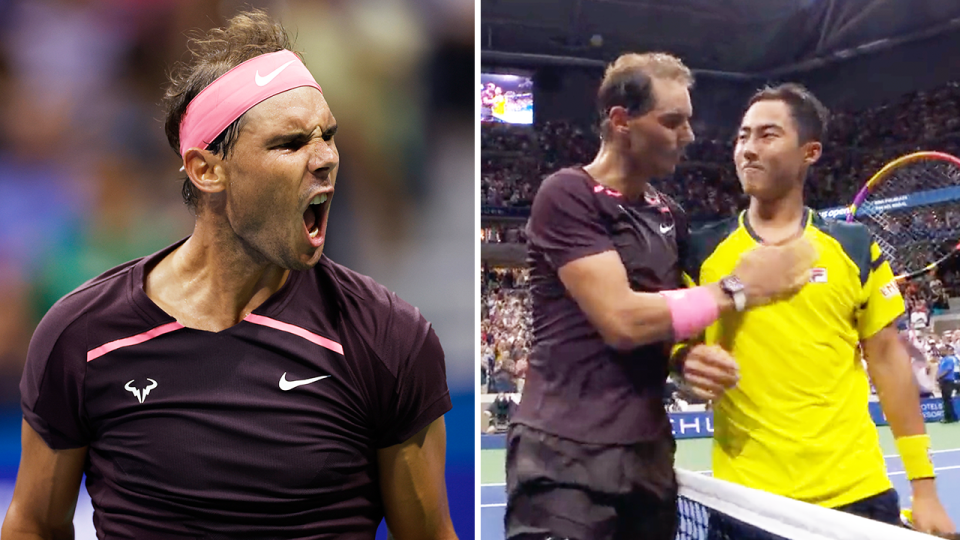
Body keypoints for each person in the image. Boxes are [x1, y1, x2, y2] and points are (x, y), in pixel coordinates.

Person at [2, 10, 456, 540]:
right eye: (290, 144)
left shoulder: (390, 338)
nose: (326, 158)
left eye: (328, 135)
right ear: (206, 169)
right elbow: (33, 525)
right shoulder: (79, 333)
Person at [504, 52, 818, 540]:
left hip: (649, 460)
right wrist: (739, 288)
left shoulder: (670, 214)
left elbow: (670, 318)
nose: (687, 136)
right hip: (563, 458)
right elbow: (623, 320)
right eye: (672, 121)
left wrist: (686, 360)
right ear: (621, 121)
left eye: (688, 121)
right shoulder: (566, 194)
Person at [676, 83, 955, 536]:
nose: (747, 149)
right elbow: (674, 349)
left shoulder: (854, 248)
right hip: (747, 502)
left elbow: (887, 361)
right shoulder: (701, 252)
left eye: (767, 135)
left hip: (855, 496)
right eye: (742, 136)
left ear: (810, 151)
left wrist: (924, 488)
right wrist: (683, 362)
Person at [937, 346, 959, 423]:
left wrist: (939, 376)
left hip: (948, 381)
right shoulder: (942, 360)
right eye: (939, 351)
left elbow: (948, 370)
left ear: (946, 351)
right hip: (943, 381)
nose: (940, 352)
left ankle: (948, 417)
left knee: (947, 400)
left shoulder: (949, 359)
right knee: (946, 399)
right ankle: (953, 417)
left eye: (942, 351)